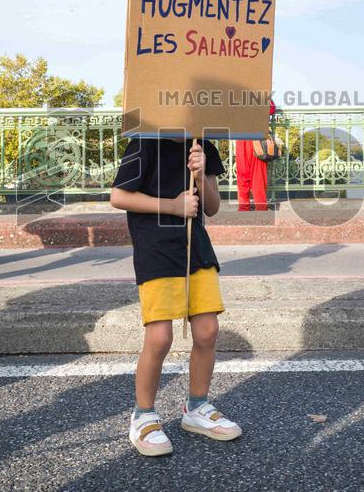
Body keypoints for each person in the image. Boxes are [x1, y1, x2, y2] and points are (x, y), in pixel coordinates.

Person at [111, 137, 242, 457]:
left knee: (208, 330)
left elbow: (211, 206)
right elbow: (118, 196)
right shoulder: (143, 142)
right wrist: (171, 205)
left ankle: (197, 407)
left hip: (195, 246)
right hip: (155, 248)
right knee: (159, 337)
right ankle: (143, 417)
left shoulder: (203, 145)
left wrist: (200, 175)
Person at [235, 99, 276, 211]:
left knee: (252, 177)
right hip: (248, 139)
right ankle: (251, 208)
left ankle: (256, 208)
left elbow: (271, 108)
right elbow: (272, 108)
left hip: (253, 140)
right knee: (248, 176)